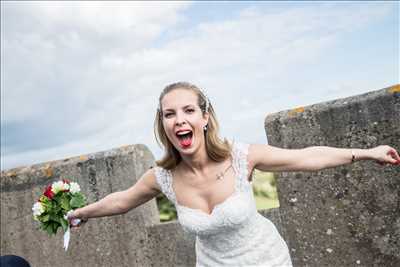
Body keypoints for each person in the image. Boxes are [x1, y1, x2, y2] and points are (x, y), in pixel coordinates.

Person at [68, 82, 400, 266]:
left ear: (205, 117)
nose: (178, 120)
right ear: (163, 124)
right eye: (169, 114)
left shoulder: (241, 156)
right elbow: (122, 201)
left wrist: (366, 153)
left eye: (188, 110)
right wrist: (82, 213)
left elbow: (307, 157)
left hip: (266, 261)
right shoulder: (163, 176)